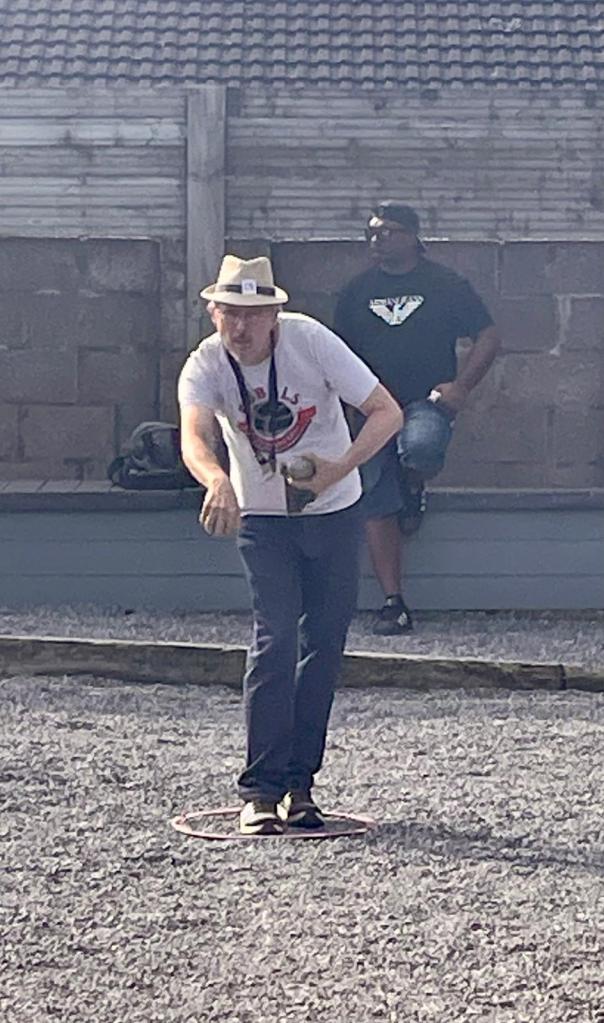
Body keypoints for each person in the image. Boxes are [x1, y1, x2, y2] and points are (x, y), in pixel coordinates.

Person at [178, 255, 402, 835]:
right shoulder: (205, 363)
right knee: (274, 639)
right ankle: (260, 789)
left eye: (253, 315)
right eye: (229, 313)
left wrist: (340, 467)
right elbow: (194, 435)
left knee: (322, 645)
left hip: (333, 510)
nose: (241, 327)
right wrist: (216, 480)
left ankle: (300, 785)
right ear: (213, 313)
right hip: (263, 517)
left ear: (275, 314)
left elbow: (386, 413)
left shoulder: (310, 341)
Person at [334, 201, 501, 636]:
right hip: (373, 409)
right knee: (374, 496)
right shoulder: (356, 291)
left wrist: (462, 386)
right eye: (371, 232)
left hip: (426, 402)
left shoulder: (444, 284)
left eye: (387, 231)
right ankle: (394, 602)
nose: (377, 239)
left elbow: (488, 334)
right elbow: (338, 353)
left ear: (413, 237)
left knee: (421, 449)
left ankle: (412, 487)